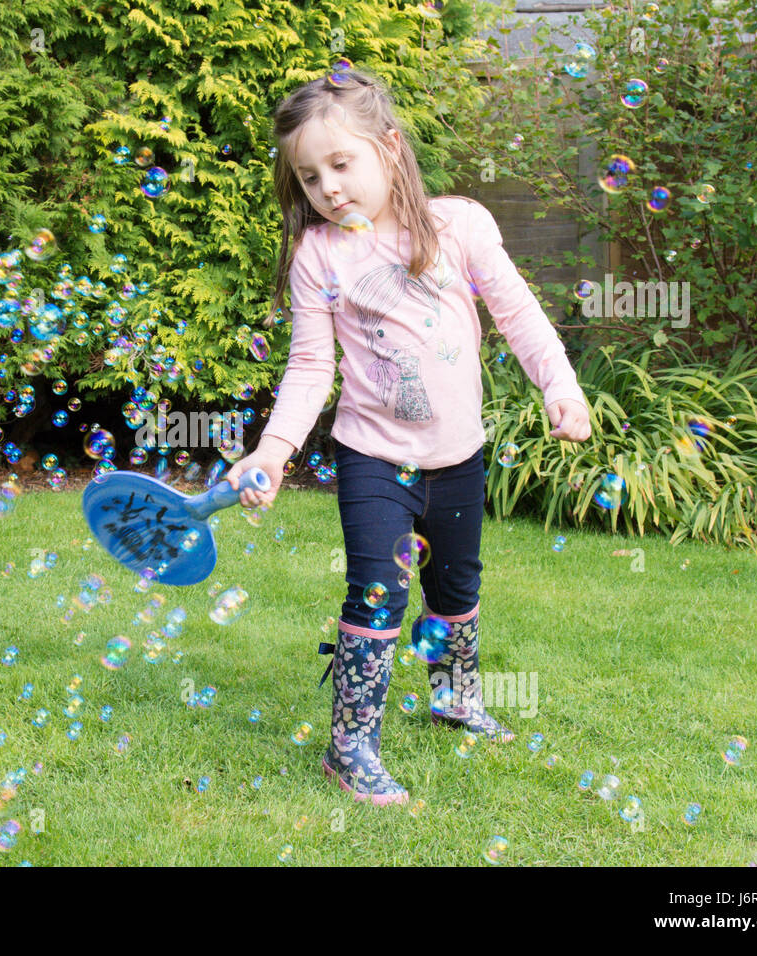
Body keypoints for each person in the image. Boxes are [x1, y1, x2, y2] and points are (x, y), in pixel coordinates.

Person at [225, 68, 592, 805]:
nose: (327, 186)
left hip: (457, 457)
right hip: (372, 458)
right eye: (309, 175)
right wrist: (273, 448)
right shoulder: (318, 257)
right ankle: (350, 745)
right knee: (380, 586)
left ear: (390, 149)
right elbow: (308, 367)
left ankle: (455, 697)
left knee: (454, 583)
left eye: (342, 163)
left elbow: (519, 315)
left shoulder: (461, 227)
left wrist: (562, 385)